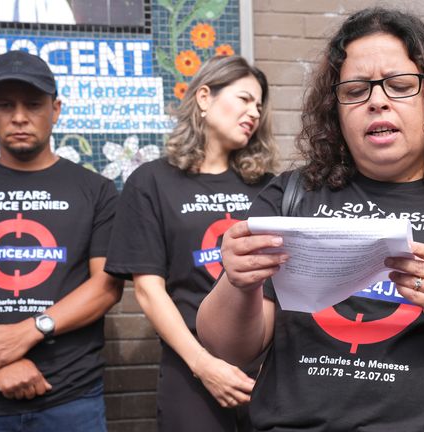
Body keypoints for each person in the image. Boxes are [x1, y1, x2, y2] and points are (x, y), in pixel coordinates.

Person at [196, 7, 424, 431]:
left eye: (400, 85)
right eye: (355, 91)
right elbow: (228, 348)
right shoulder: (289, 197)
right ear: (334, 110)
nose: (377, 101)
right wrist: (238, 283)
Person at [104, 55, 278, 432]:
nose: (254, 112)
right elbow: (149, 291)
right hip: (191, 366)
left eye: (259, 105)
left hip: (265, 367)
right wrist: (203, 365)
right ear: (204, 97)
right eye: (245, 99)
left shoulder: (270, 187)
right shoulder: (151, 182)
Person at [0, 51, 121, 431]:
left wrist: (27, 332)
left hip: (72, 396)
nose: (19, 117)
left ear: (56, 109)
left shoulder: (97, 190)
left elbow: (106, 287)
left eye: (33, 104)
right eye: (5, 105)